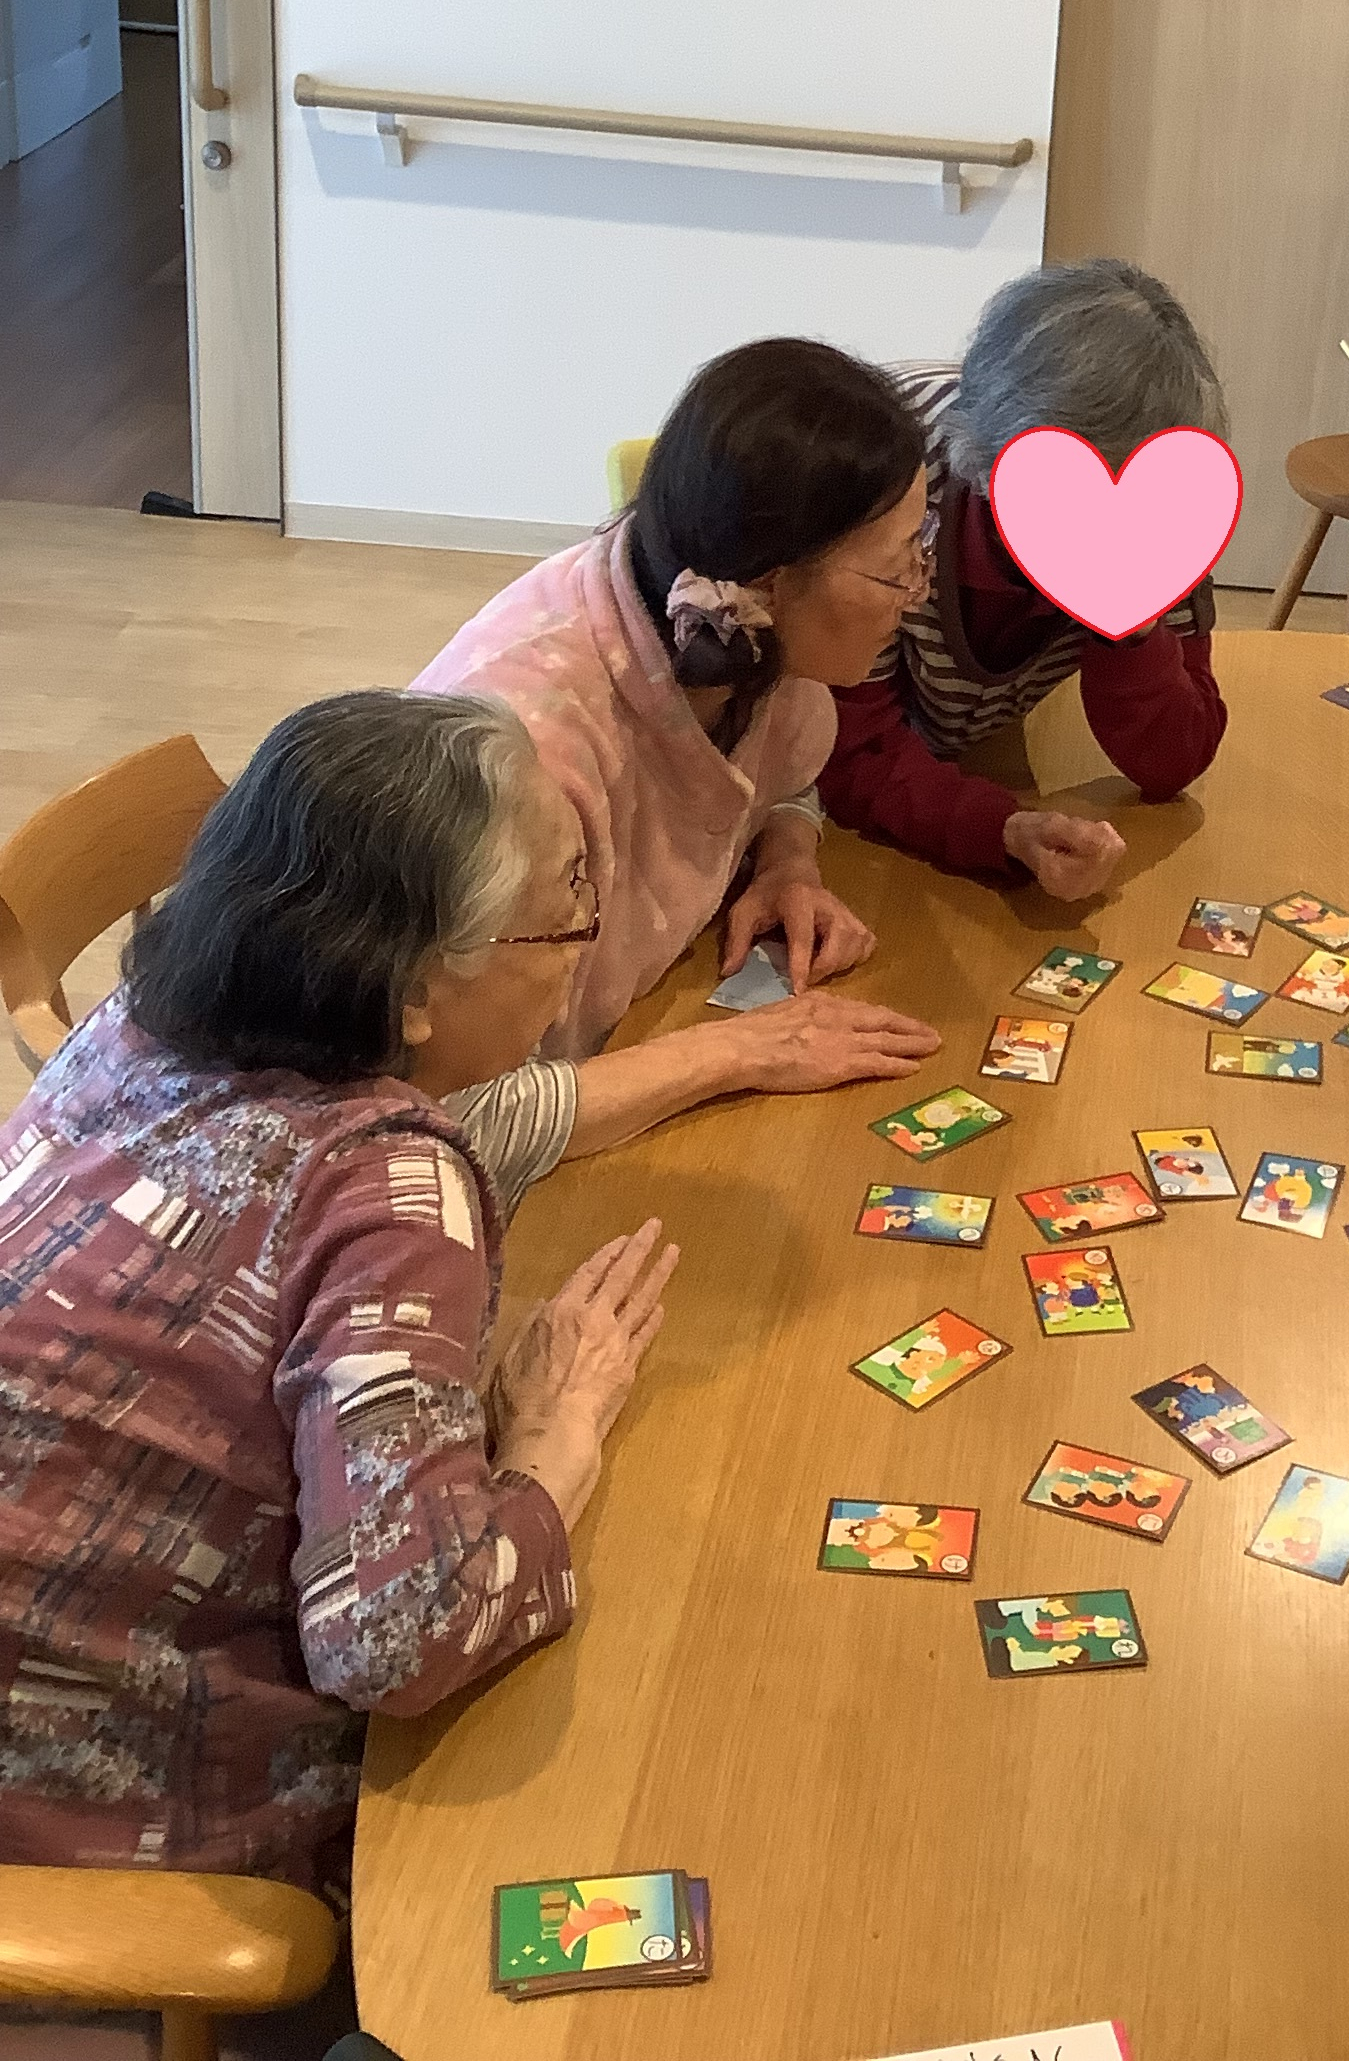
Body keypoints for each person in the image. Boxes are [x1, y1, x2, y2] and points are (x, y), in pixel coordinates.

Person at [0, 690, 675, 1901]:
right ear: (412, 989)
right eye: (563, 905)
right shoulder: (386, 1181)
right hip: (97, 1848)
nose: (583, 938)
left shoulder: (134, 1023)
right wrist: (552, 1443)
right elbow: (399, 1640)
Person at [413, 340, 946, 1193]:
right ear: (771, 585)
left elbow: (785, 778)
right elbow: (429, 1125)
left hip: (621, 1058)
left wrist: (787, 857)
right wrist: (736, 1050)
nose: (917, 593)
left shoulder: (737, 636)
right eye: (895, 570)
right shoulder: (521, 764)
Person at [819, 260, 1229, 894]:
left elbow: (1173, 761)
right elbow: (850, 753)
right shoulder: (882, 484)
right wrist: (1001, 827)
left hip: (963, 759)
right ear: (986, 470)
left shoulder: (1167, 505)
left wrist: (1134, 627)